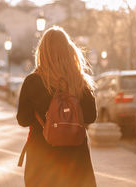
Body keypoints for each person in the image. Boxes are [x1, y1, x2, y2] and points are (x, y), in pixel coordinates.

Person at [17, 26, 97, 187]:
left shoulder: (33, 81)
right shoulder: (80, 81)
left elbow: (23, 120)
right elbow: (90, 116)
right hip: (76, 162)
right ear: (69, 51)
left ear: (42, 52)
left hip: (42, 162)